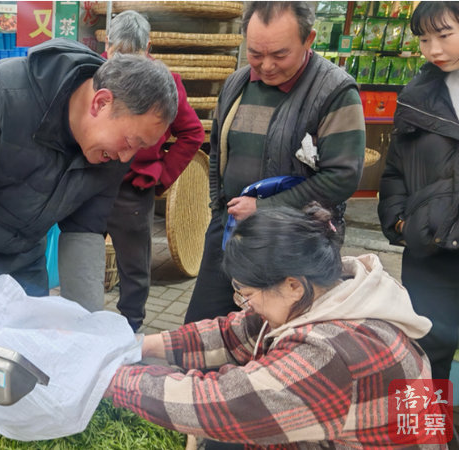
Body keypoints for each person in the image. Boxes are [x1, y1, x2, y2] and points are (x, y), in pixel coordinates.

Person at [107, 204, 433, 448]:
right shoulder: (326, 291)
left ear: (292, 285)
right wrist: (140, 346)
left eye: (248, 294)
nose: (245, 305)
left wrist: (109, 378)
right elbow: (231, 334)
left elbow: (224, 405)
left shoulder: (333, 351)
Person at [0, 38, 178, 335]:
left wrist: (85, 325)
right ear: (101, 103)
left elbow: (85, 230)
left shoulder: (112, 152)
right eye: (129, 142)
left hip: (26, 254)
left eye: (139, 147)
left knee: (35, 348)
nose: (127, 158)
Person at [184, 1, 366, 324]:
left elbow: (342, 177)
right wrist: (218, 208)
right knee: (203, 324)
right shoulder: (237, 84)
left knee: (274, 334)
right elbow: (219, 153)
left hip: (294, 244)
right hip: (230, 231)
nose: (266, 66)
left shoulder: (335, 92)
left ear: (309, 39)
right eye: (255, 53)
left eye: (280, 55)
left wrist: (264, 208)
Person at [103, 11, 205, 332]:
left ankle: (130, 327)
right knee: (81, 251)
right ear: (107, 46)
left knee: (134, 263)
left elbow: (192, 133)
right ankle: (83, 322)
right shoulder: (96, 74)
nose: (125, 65)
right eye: (118, 54)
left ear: (148, 48)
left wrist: (162, 176)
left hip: (134, 187)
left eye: (131, 55)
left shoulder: (165, 83)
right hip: (92, 182)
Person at [378, 1, 459, 382]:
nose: (433, 50)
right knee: (422, 357)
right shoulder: (416, 95)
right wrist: (400, 221)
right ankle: (422, 422)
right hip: (430, 250)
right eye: (424, 39)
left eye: (444, 35)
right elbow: (395, 168)